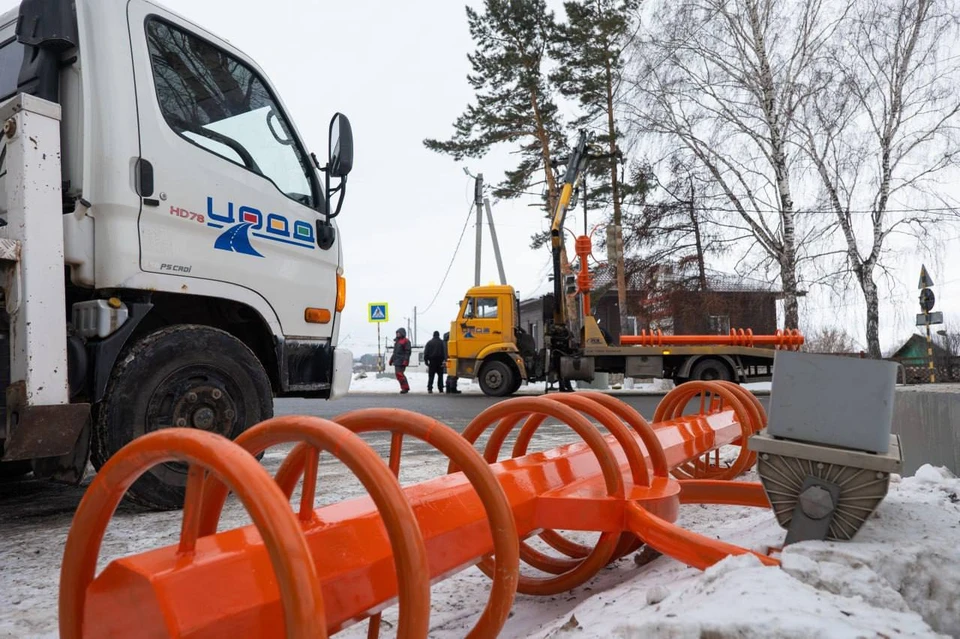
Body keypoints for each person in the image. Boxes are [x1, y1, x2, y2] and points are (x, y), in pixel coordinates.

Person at [388, 327, 411, 394]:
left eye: (399, 333)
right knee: (398, 375)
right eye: (397, 333)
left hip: (402, 361)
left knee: (400, 374)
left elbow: (408, 352)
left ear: (402, 333)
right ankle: (404, 387)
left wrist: (406, 361)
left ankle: (405, 388)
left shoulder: (406, 341)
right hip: (397, 361)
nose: (397, 334)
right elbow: (395, 352)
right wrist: (391, 360)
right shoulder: (397, 342)